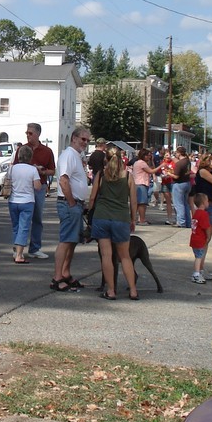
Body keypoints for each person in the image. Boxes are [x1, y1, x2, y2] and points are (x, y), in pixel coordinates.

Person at [88, 147, 139, 300]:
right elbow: (134, 201)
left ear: (106, 159)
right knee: (125, 256)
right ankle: (133, 290)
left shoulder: (101, 175)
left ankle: (110, 291)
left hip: (102, 217)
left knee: (106, 255)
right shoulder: (128, 176)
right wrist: (133, 219)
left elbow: (92, 198)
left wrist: (89, 211)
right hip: (121, 218)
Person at [52, 126, 91, 292]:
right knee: (66, 240)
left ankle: (66, 273)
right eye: (83, 139)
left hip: (76, 203)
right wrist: (72, 203)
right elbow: (63, 181)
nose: (86, 143)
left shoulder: (76, 156)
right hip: (69, 204)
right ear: (74, 138)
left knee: (72, 241)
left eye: (88, 140)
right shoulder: (68, 155)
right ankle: (57, 277)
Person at [16, 122, 57, 259]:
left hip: (39, 186)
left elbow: (52, 171)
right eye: (27, 133)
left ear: (38, 134)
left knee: (37, 218)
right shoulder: (22, 149)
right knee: (21, 219)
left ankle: (35, 248)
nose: (28, 136)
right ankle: (18, 248)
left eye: (30, 133)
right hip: (24, 187)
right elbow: (15, 166)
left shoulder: (46, 151)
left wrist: (42, 171)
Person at [8, 145, 41, 264]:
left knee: (16, 227)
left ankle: (16, 250)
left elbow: (7, 182)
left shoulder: (12, 168)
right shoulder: (32, 169)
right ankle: (19, 255)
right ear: (30, 157)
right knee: (24, 227)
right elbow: (37, 187)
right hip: (27, 201)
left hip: (13, 200)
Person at [192, 153, 212, 235]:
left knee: (208, 235)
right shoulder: (203, 172)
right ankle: (201, 248)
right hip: (207, 204)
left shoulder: (211, 172)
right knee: (205, 235)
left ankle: (203, 248)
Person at [131, 149, 160, 226]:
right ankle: (142, 220)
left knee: (137, 203)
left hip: (137, 183)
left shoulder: (137, 162)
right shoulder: (142, 163)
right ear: (144, 155)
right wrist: (161, 166)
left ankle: (135, 219)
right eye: (148, 155)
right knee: (142, 203)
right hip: (141, 184)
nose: (149, 157)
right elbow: (151, 171)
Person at [190, 193, 212, 283]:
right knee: (199, 257)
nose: (208, 202)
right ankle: (196, 274)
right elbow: (206, 227)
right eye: (207, 201)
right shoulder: (203, 214)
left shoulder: (196, 213)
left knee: (197, 256)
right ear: (203, 203)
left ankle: (198, 271)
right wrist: (208, 236)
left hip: (194, 239)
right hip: (200, 239)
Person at [171, 146, 192, 228]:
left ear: (179, 153)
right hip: (187, 182)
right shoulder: (187, 161)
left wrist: (169, 174)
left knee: (178, 204)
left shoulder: (180, 163)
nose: (175, 154)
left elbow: (176, 176)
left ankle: (181, 222)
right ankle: (188, 222)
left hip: (179, 184)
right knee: (185, 204)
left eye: (176, 153)